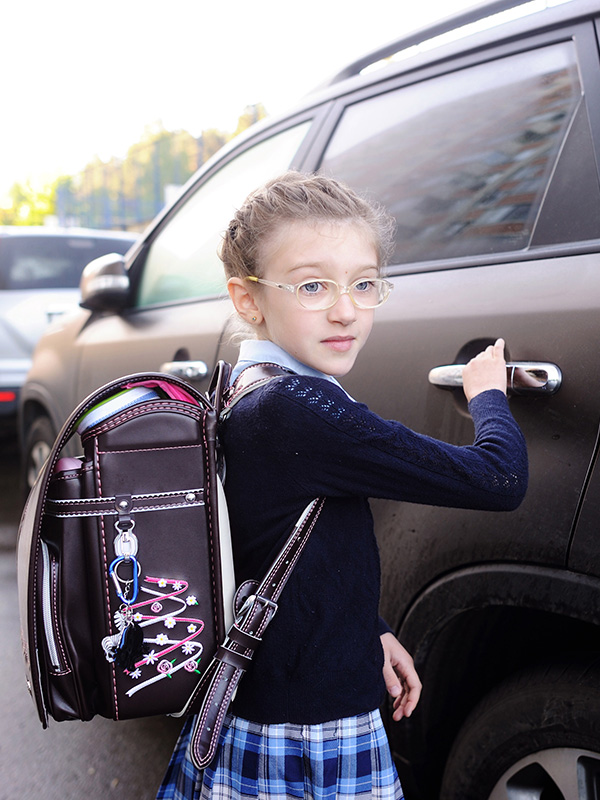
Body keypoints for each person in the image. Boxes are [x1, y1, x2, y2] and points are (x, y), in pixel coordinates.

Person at [157, 172, 528, 800]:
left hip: (271, 707)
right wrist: (488, 393)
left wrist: (371, 629)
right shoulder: (298, 410)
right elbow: (499, 478)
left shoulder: (251, 390)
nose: (345, 309)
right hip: (308, 737)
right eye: (312, 285)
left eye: (363, 283)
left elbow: (277, 545)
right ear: (248, 300)